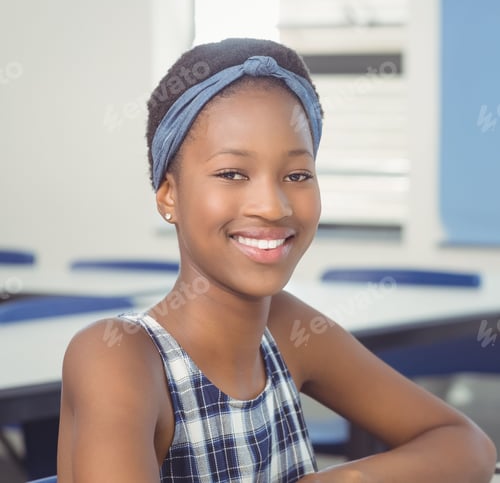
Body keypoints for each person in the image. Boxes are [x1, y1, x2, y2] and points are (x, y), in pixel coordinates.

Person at [57, 38, 496, 482]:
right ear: (169, 194)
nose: (272, 206)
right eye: (232, 174)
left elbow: (468, 446)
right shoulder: (117, 357)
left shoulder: (289, 329)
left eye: (297, 175)